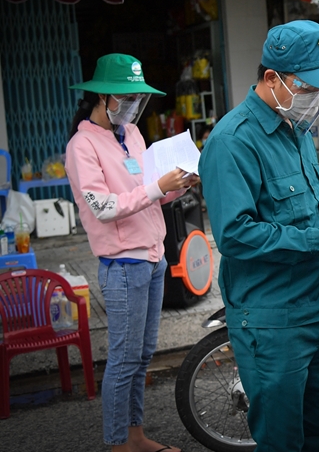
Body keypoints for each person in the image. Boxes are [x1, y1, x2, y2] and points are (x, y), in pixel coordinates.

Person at [198, 20, 319, 452]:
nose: (315, 98)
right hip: (272, 319)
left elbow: (317, 201)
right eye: (308, 87)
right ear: (272, 79)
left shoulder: (296, 132)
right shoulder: (232, 141)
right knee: (281, 440)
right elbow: (236, 235)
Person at [65, 53, 197, 452]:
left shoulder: (133, 136)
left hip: (154, 258)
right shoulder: (81, 146)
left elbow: (148, 196)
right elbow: (103, 207)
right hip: (123, 264)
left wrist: (178, 186)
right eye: (128, 97)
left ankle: (135, 436)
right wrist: (159, 187)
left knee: (141, 357)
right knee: (123, 361)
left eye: (139, 98)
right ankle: (118, 442)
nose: (135, 105)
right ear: (102, 97)